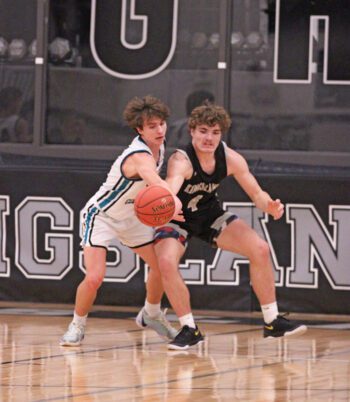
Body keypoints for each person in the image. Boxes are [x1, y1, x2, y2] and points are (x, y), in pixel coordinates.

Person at [148, 102, 307, 350]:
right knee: (166, 262)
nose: (208, 138)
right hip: (176, 216)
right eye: (203, 131)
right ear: (192, 131)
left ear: (222, 134)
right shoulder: (181, 160)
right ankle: (190, 328)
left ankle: (272, 321)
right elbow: (171, 187)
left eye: (215, 132)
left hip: (209, 215)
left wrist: (269, 205)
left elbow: (256, 193)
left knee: (260, 249)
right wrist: (167, 199)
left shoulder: (231, 158)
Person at [60, 95, 182, 346]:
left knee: (161, 265)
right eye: (151, 126)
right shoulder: (138, 155)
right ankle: (77, 324)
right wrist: (173, 202)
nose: (159, 130)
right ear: (139, 129)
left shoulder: (160, 145)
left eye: (161, 124)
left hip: (133, 217)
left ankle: (152, 313)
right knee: (95, 277)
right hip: (102, 216)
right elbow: (154, 181)